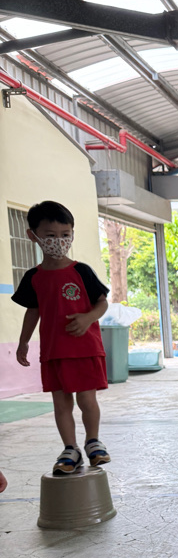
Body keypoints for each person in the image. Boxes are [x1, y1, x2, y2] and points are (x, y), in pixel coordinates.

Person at [12, 201, 110, 476]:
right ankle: (70, 449)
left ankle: (93, 442)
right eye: (51, 235)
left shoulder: (82, 271)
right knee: (61, 403)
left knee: (87, 400)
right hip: (54, 351)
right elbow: (33, 311)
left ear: (72, 234)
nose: (59, 241)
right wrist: (23, 342)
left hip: (85, 349)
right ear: (33, 236)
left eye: (65, 234)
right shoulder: (33, 277)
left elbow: (102, 302)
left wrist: (88, 318)